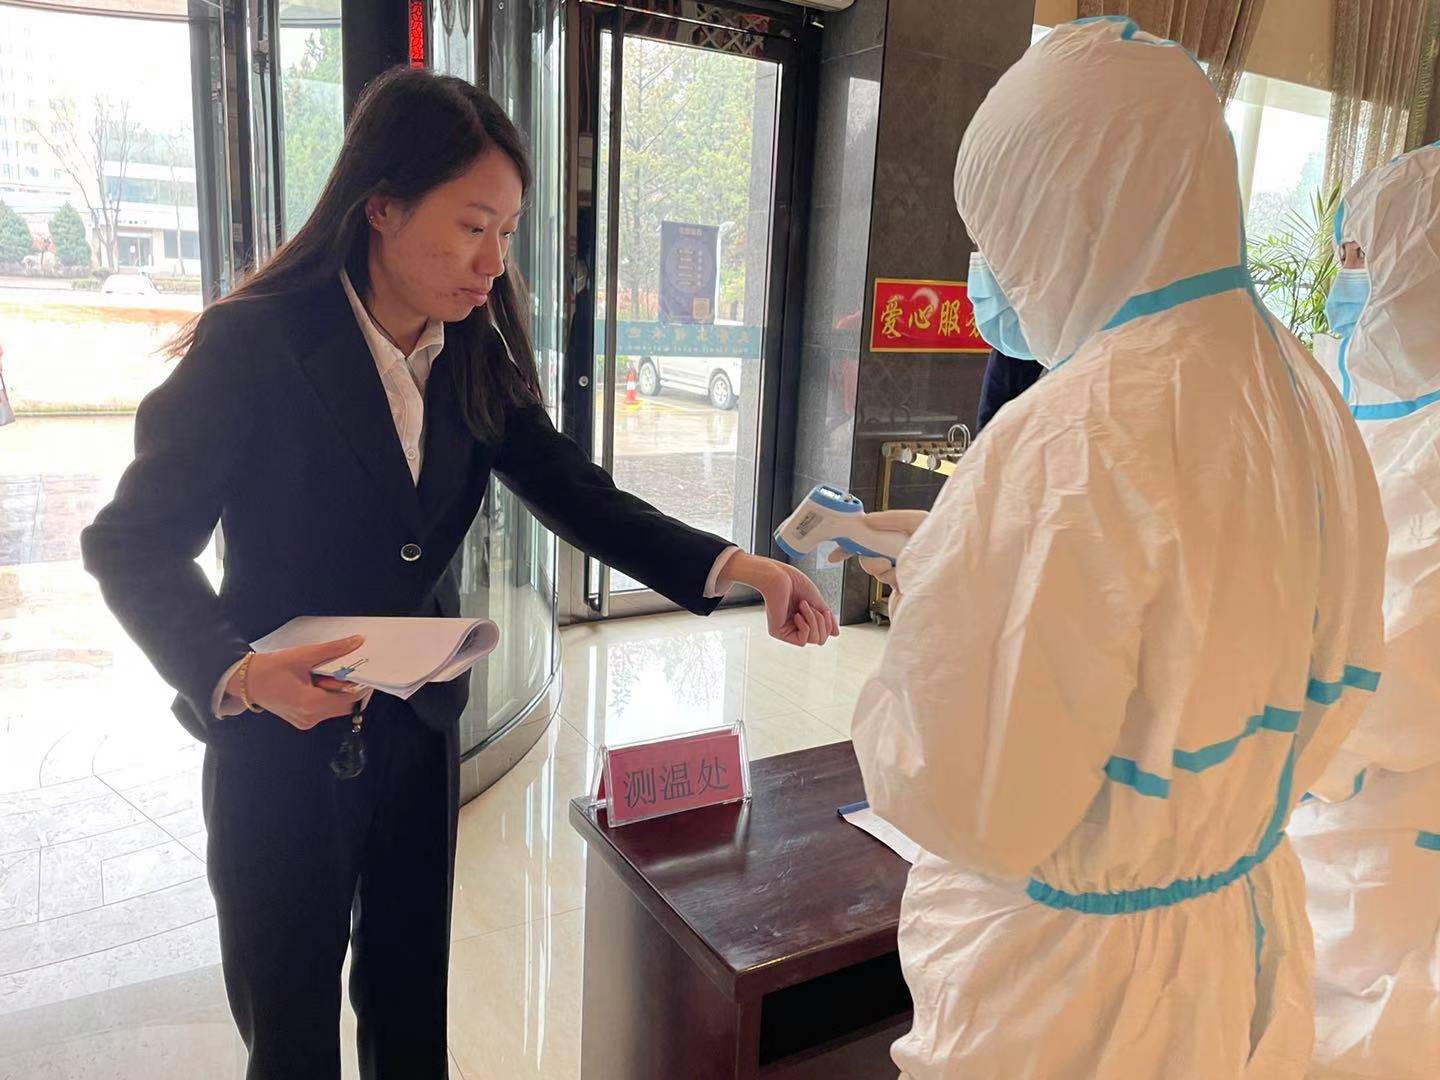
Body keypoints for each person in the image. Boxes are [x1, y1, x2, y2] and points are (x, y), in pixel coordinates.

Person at [80, 69, 837, 1080]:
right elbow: (131, 542)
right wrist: (238, 673)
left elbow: (577, 492)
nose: (493, 262)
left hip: (418, 730)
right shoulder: (257, 344)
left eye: (507, 232)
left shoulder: (473, 351)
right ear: (382, 207)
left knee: (409, 1010)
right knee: (290, 1030)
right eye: (473, 226)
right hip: (277, 744)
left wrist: (740, 566)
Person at [840, 18, 1387, 1078]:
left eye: (1001, 230)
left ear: (1064, 206)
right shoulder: (1302, 388)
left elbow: (971, 794)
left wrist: (930, 606)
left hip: (1069, 989)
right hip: (1239, 927)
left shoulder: (1079, 427)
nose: (997, 269)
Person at [1288, 141, 1440, 1079]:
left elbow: (1405, 680)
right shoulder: (1343, 389)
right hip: (1297, 791)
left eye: (1358, 257)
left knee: (1357, 1037)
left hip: (1384, 828)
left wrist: (1257, 746)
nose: (1345, 279)